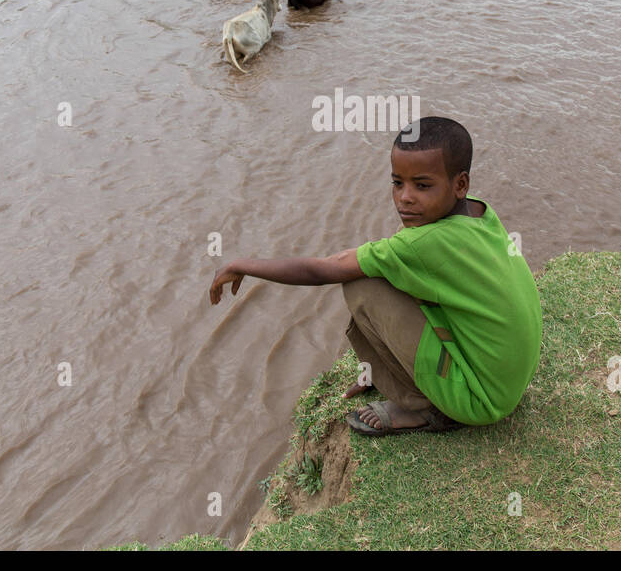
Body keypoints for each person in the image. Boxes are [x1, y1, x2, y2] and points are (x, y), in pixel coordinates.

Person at [208, 117, 543, 436]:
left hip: (481, 401)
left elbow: (322, 269)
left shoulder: (424, 243)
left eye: (422, 185)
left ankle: (421, 405)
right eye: (398, 183)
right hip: (508, 382)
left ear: (460, 184)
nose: (405, 197)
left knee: (362, 284)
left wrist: (244, 265)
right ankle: (388, 371)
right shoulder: (478, 212)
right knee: (390, 274)